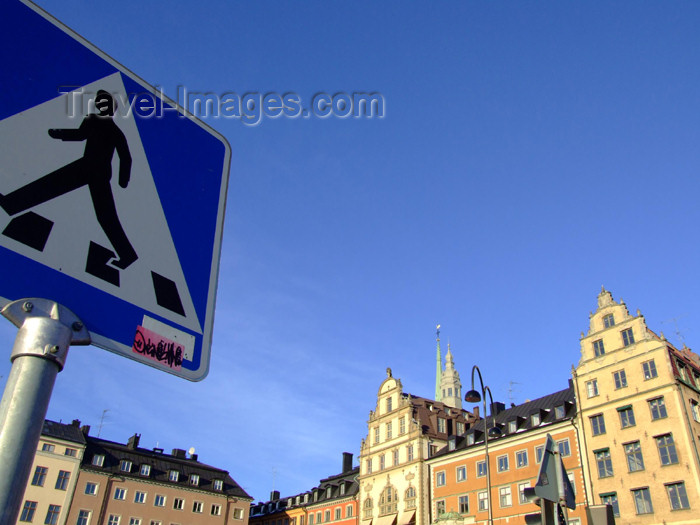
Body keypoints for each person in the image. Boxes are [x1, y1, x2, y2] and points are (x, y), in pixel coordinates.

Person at [0, 90, 137, 269]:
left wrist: (123, 180)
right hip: (90, 168)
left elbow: (126, 157)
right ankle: (10, 204)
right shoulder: (96, 120)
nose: (101, 105)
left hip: (95, 170)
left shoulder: (113, 129)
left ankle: (127, 255)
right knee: (50, 185)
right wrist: (58, 133)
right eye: (100, 102)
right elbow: (80, 135)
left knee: (105, 215)